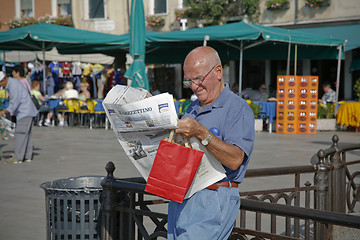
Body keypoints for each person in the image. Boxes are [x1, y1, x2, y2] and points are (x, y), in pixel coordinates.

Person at [168, 46, 255, 239]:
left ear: (218, 71)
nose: (193, 86)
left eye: (198, 78)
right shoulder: (192, 107)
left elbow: (235, 159)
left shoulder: (237, 108)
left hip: (211, 197)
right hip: (182, 197)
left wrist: (201, 132)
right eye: (188, 80)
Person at [0, 71, 38, 164]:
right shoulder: (13, 82)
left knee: (20, 134)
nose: (2, 86)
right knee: (27, 135)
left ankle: (18, 157)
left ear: (3, 80)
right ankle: (27, 156)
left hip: (24, 112)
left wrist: (3, 112)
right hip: (28, 111)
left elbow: (14, 103)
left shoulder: (13, 86)